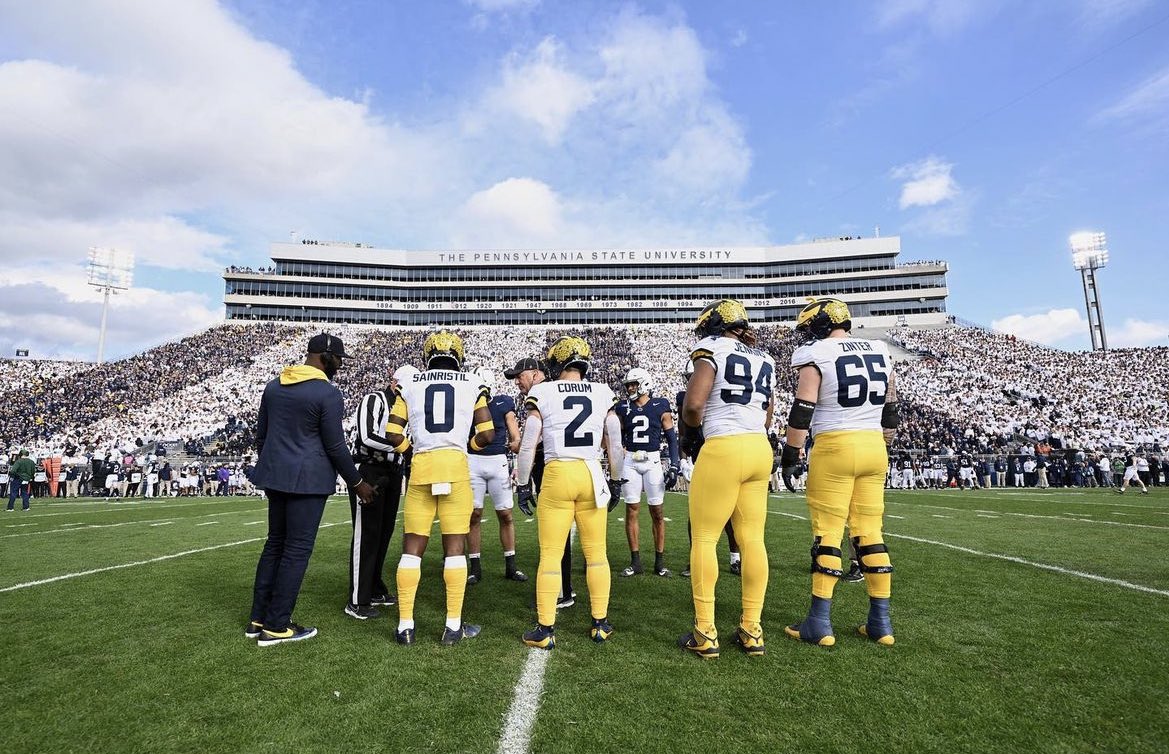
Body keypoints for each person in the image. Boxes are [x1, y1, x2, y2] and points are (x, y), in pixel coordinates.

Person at [246, 333, 375, 647]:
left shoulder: (274, 385)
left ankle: (258, 618)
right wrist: (358, 483)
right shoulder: (327, 393)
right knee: (296, 551)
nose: (341, 366)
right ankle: (277, 626)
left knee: (274, 545)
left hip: (276, 476)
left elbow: (261, 436)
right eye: (339, 359)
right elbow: (334, 445)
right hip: (308, 481)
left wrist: (277, 465)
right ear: (325, 357)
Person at [782, 297, 897, 648]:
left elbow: (803, 408)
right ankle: (881, 622)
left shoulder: (816, 354)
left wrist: (790, 452)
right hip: (873, 445)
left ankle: (820, 621)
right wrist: (882, 445)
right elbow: (891, 410)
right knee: (869, 531)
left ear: (818, 324)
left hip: (834, 444)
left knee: (828, 532)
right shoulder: (880, 349)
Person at [679, 299, 775, 659]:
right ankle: (752, 629)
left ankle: (705, 631)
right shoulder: (764, 357)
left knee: (704, 537)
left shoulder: (712, 348)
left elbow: (693, 405)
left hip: (724, 445)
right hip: (758, 446)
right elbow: (767, 414)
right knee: (753, 539)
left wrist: (691, 435)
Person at [386, 330, 495, 646]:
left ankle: (405, 626)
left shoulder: (409, 385)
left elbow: (393, 433)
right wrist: (467, 446)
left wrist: (411, 451)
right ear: (458, 357)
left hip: (422, 467)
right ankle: (452, 626)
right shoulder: (474, 383)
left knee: (412, 549)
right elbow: (487, 434)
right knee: (454, 548)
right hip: (455, 468)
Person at [518, 336, 624, 650]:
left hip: (557, 473)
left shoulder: (542, 391)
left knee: (551, 555)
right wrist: (615, 479)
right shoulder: (602, 391)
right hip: (590, 472)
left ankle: (546, 628)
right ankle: (600, 623)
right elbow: (614, 437)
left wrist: (523, 483)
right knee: (597, 554)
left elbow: (528, 442)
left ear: (555, 363)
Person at [506, 357, 576, 609]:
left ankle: (560, 591)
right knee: (563, 532)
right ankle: (564, 587)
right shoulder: (559, 388)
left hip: (554, 464)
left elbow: (534, 438)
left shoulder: (543, 392)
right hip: (573, 465)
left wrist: (523, 483)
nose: (516, 381)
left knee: (554, 531)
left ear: (535, 374)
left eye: (519, 375)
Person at [343, 363, 410, 621]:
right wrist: (404, 448)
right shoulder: (375, 399)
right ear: (394, 383)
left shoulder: (406, 407)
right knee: (367, 534)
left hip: (392, 472)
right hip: (370, 470)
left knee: (383, 533)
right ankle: (357, 600)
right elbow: (367, 435)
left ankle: (373, 587)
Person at [676, 360, 742, 579]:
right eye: (688, 379)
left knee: (731, 513)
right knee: (695, 514)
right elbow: (682, 431)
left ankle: (735, 557)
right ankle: (695, 557)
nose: (691, 382)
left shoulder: (721, 394)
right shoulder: (684, 398)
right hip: (700, 456)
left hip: (723, 455)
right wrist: (685, 460)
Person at [615, 367, 679, 578]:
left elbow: (671, 438)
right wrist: (620, 453)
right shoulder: (623, 407)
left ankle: (659, 563)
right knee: (631, 509)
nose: (630, 388)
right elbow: (615, 435)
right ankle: (635, 562)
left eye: (633, 384)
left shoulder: (661, 405)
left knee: (657, 512)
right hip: (631, 461)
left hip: (652, 461)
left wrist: (674, 464)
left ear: (644, 384)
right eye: (629, 385)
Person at [467, 367, 527, 585]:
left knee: (506, 515)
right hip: (472, 461)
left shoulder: (503, 402)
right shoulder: (467, 401)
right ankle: (475, 568)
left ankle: (511, 565)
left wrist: (517, 444)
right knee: (473, 515)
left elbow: (515, 433)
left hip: (498, 461)